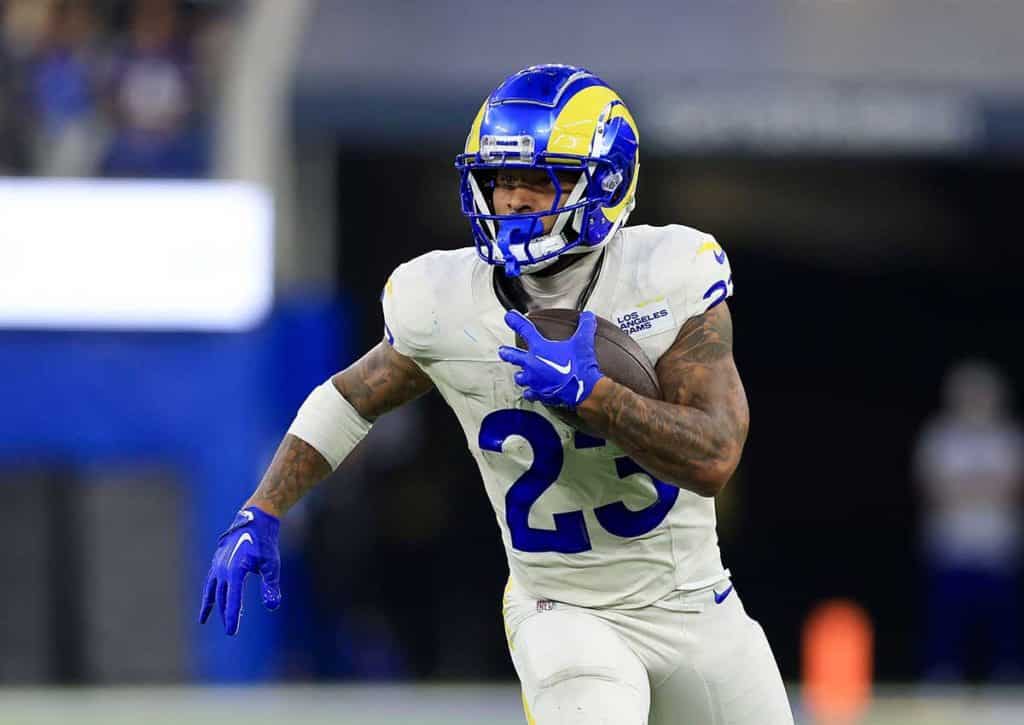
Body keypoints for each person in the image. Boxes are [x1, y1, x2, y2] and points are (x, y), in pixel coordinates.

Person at [199, 65, 793, 724]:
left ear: (605, 182)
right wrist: (262, 508)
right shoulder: (444, 300)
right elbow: (349, 399)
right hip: (563, 610)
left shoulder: (668, 275)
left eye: (537, 180)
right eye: (501, 179)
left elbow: (715, 455)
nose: (511, 200)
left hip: (694, 602)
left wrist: (595, 395)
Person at [915, 360, 1023, 682]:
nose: (976, 400)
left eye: (982, 393)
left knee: (1003, 615)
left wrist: (968, 487)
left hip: (997, 542)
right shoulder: (939, 437)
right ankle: (942, 672)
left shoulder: (1010, 437)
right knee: (948, 615)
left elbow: (1013, 488)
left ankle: (1007, 673)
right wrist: (984, 486)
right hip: (952, 542)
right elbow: (933, 487)